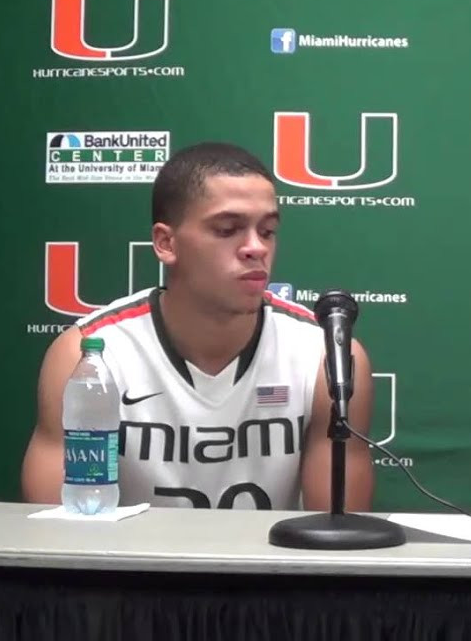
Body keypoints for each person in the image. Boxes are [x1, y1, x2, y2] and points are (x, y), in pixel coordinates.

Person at [21, 142, 376, 510]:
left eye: (267, 231)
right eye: (227, 229)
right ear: (165, 242)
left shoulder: (324, 358)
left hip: (268, 567)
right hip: (129, 566)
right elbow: (60, 533)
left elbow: (338, 535)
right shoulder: (90, 356)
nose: (256, 248)